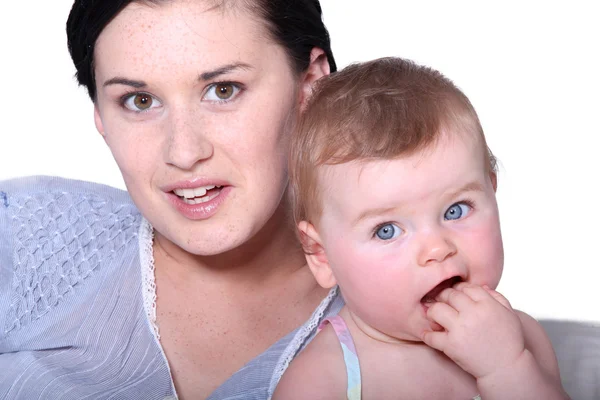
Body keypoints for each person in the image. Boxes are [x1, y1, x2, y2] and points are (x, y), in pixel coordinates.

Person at [0, 1, 345, 399]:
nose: (183, 152)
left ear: (311, 84)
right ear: (99, 114)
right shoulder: (28, 238)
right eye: (139, 100)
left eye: (223, 90)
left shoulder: (414, 304)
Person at [273, 57, 569, 399]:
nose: (437, 248)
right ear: (321, 255)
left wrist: (506, 369)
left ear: (492, 192)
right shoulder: (322, 381)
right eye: (386, 230)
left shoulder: (522, 341)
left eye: (456, 210)